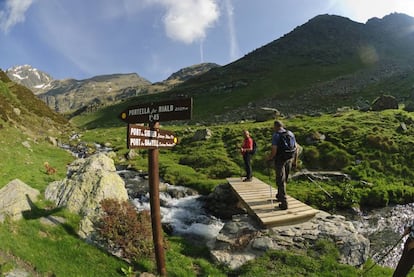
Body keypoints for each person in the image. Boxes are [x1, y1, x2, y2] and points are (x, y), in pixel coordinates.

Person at [266, 120, 297, 210]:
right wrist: (295, 161)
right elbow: (296, 147)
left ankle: (284, 203)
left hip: (280, 160)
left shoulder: (276, 135)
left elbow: (274, 150)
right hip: (289, 158)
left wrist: (269, 158)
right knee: (285, 178)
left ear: (276, 126)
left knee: (280, 180)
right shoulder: (290, 133)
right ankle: (279, 196)